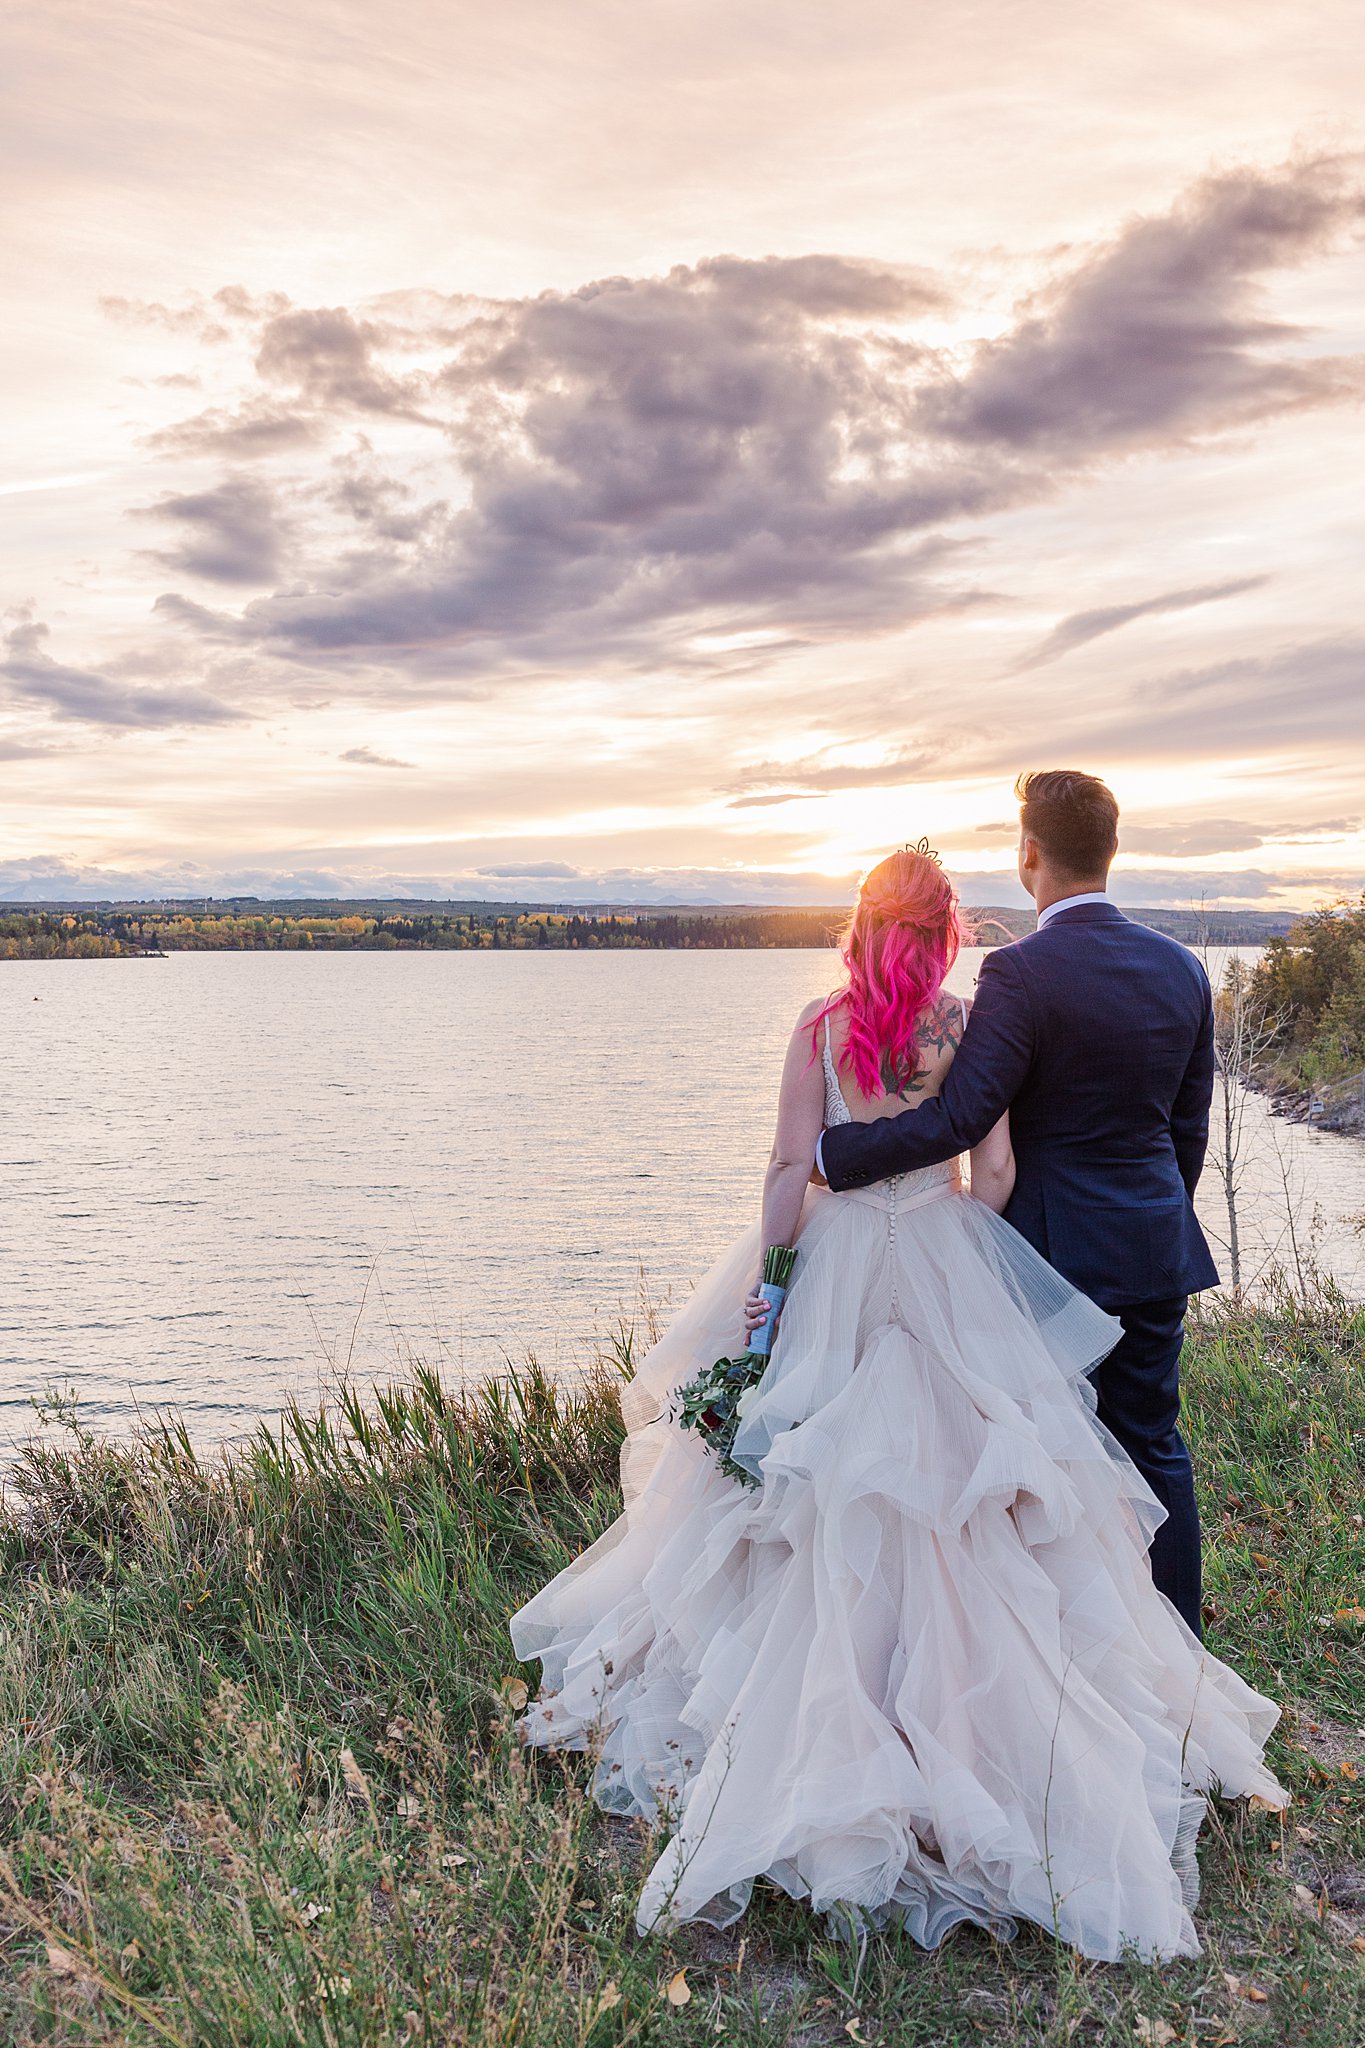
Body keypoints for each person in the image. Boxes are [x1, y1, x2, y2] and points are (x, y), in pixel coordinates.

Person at [508, 833, 1285, 1962]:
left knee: (807, 1487)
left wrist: (771, 1286)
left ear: (865, 924)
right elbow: (998, 1173)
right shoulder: (961, 1026)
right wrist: (983, 1263)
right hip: (939, 1257)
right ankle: (993, 1727)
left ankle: (823, 1722)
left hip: (834, 1270)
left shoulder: (821, 1024)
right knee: (972, 1493)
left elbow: (787, 1168)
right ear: (946, 932)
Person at [811, 771, 1217, 1638]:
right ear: (1110, 851)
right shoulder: (1181, 967)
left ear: (1028, 854)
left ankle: (1061, 1640)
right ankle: (1179, 1642)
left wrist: (833, 1154)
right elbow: (1187, 1130)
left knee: (1045, 1451)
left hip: (1046, 1260)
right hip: (1153, 1245)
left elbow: (959, 1119)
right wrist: (1154, 1218)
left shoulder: (1019, 972)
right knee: (1152, 1441)